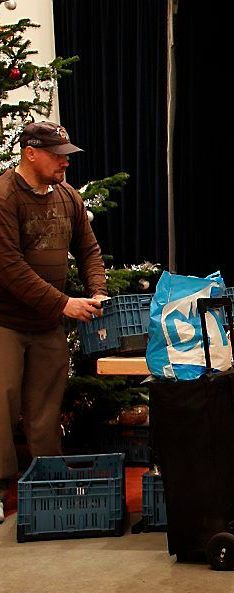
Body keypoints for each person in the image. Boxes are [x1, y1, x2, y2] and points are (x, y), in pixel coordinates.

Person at [0, 121, 108, 523]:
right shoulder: (5, 196)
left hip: (47, 323)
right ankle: (0, 486)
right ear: (31, 152)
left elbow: (89, 249)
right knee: (1, 402)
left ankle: (46, 483)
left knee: (45, 409)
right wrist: (63, 303)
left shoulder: (67, 197)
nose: (65, 161)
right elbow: (9, 267)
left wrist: (96, 290)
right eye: (58, 154)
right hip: (6, 322)